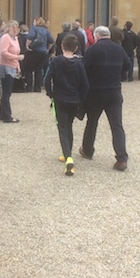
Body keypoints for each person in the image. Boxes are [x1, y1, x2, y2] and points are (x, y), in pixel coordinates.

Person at [79, 26, 131, 171]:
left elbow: (84, 70)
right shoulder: (119, 49)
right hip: (114, 92)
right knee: (117, 125)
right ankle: (121, 158)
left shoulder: (93, 50)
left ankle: (88, 150)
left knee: (92, 122)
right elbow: (127, 66)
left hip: (96, 92)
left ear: (96, 36)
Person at [44, 33, 89, 176]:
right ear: (76, 48)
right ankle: (67, 152)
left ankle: (68, 158)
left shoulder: (56, 62)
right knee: (69, 126)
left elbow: (47, 79)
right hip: (74, 100)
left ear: (62, 46)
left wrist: (50, 94)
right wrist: (81, 97)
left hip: (60, 99)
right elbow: (85, 84)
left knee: (62, 128)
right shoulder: (80, 64)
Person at [0, 20, 24, 123]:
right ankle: (7, 116)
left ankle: (2, 114)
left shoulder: (15, 38)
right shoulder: (5, 37)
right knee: (7, 92)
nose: (16, 29)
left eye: (17, 27)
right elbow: (3, 52)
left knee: (6, 92)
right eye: (13, 27)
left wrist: (18, 66)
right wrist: (17, 57)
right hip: (5, 66)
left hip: (12, 65)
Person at [25, 17, 54, 92]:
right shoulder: (46, 30)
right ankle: (37, 88)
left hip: (34, 51)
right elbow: (51, 41)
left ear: (36, 22)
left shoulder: (34, 28)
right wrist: (47, 49)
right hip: (43, 52)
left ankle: (29, 87)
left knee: (29, 69)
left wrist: (27, 46)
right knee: (39, 69)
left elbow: (30, 37)